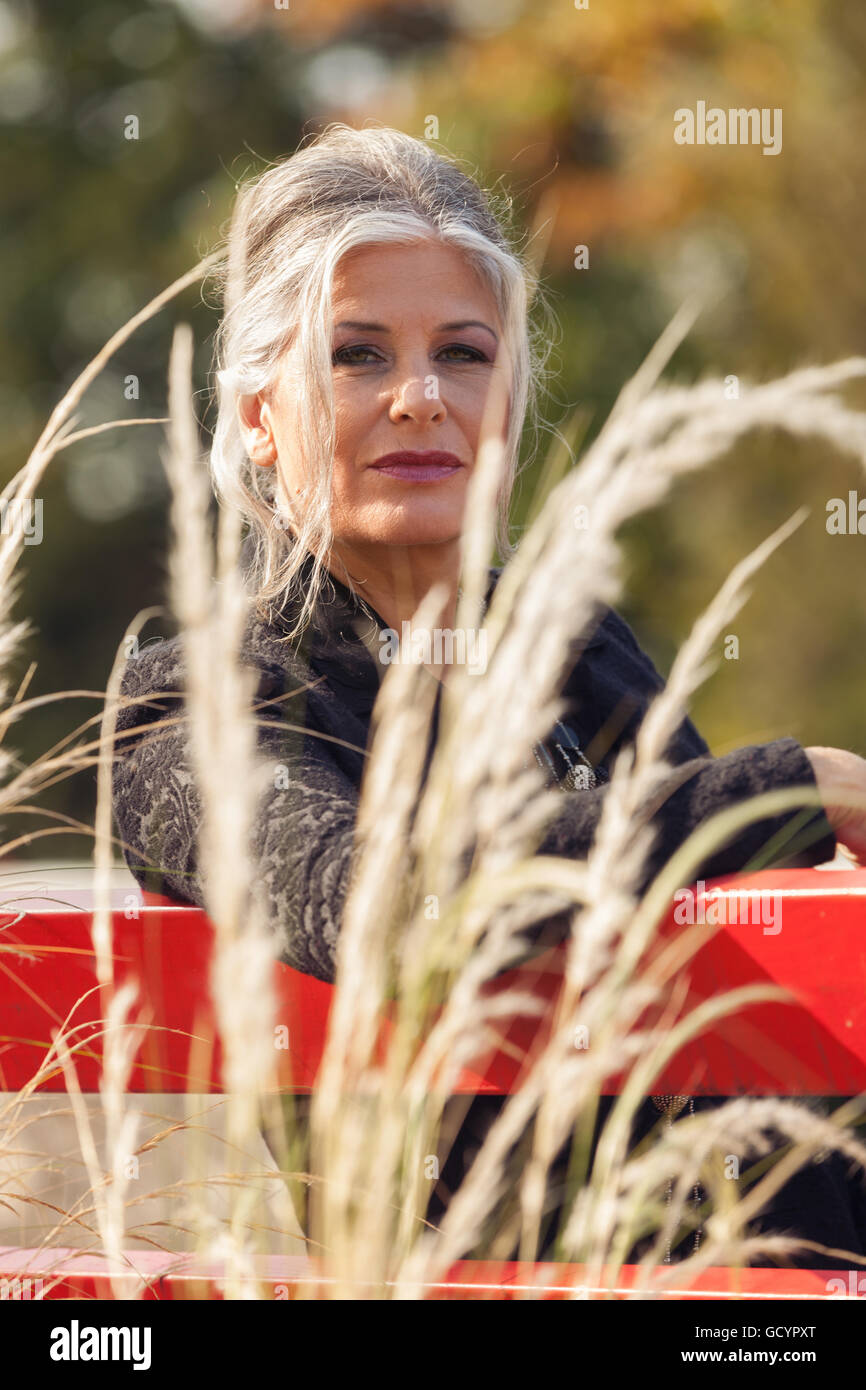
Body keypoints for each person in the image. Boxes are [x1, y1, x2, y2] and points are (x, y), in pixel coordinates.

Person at [111, 123, 866, 1268]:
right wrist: (781, 787)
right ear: (260, 414)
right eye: (354, 354)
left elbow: (752, 972)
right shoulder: (198, 705)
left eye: (462, 352)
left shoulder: (572, 648)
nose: (419, 397)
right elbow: (381, 907)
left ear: (509, 392)